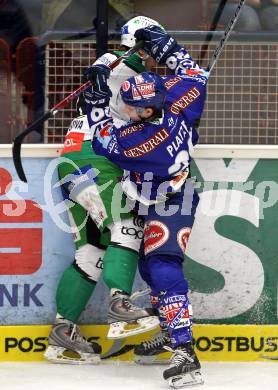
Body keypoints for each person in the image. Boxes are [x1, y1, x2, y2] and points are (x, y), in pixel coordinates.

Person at [83, 25, 209, 387]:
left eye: (131, 106)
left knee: (163, 265)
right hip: (163, 195)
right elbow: (193, 72)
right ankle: (172, 333)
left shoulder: (140, 142)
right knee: (151, 269)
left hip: (171, 201)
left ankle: (186, 352)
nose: (124, 108)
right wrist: (164, 45)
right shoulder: (179, 96)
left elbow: (100, 136)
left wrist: (94, 96)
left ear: (149, 108)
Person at [44, 16, 164, 365]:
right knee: (126, 228)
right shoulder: (132, 65)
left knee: (91, 253)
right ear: (144, 42)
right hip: (96, 159)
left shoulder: (111, 62)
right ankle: (119, 305)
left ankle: (62, 332)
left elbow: (101, 70)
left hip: (70, 159)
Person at [211, 0, 278, 32]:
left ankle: (269, 57)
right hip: (229, 3)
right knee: (249, 20)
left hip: (265, 6)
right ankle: (248, 58)